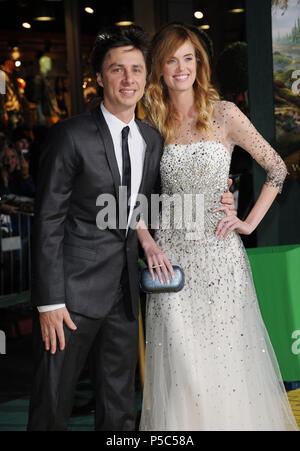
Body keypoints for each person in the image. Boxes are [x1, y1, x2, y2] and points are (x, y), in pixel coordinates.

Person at [27, 25, 235, 432]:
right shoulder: (70, 136)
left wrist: (218, 198)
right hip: (70, 299)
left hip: (123, 298)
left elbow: (149, 205)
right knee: (52, 405)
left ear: (147, 76)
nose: (128, 79)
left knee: (119, 407)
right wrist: (49, 302)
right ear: (101, 78)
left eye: (136, 69)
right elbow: (48, 220)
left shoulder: (150, 139)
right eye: (117, 70)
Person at [138, 23, 298, 431]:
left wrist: (247, 222)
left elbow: (277, 168)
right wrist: (147, 237)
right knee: (183, 366)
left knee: (225, 362)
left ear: (199, 64)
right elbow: (131, 191)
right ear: (159, 67)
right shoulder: (150, 120)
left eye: (189, 58)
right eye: (172, 59)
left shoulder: (224, 113)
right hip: (171, 260)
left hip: (220, 257)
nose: (181, 68)